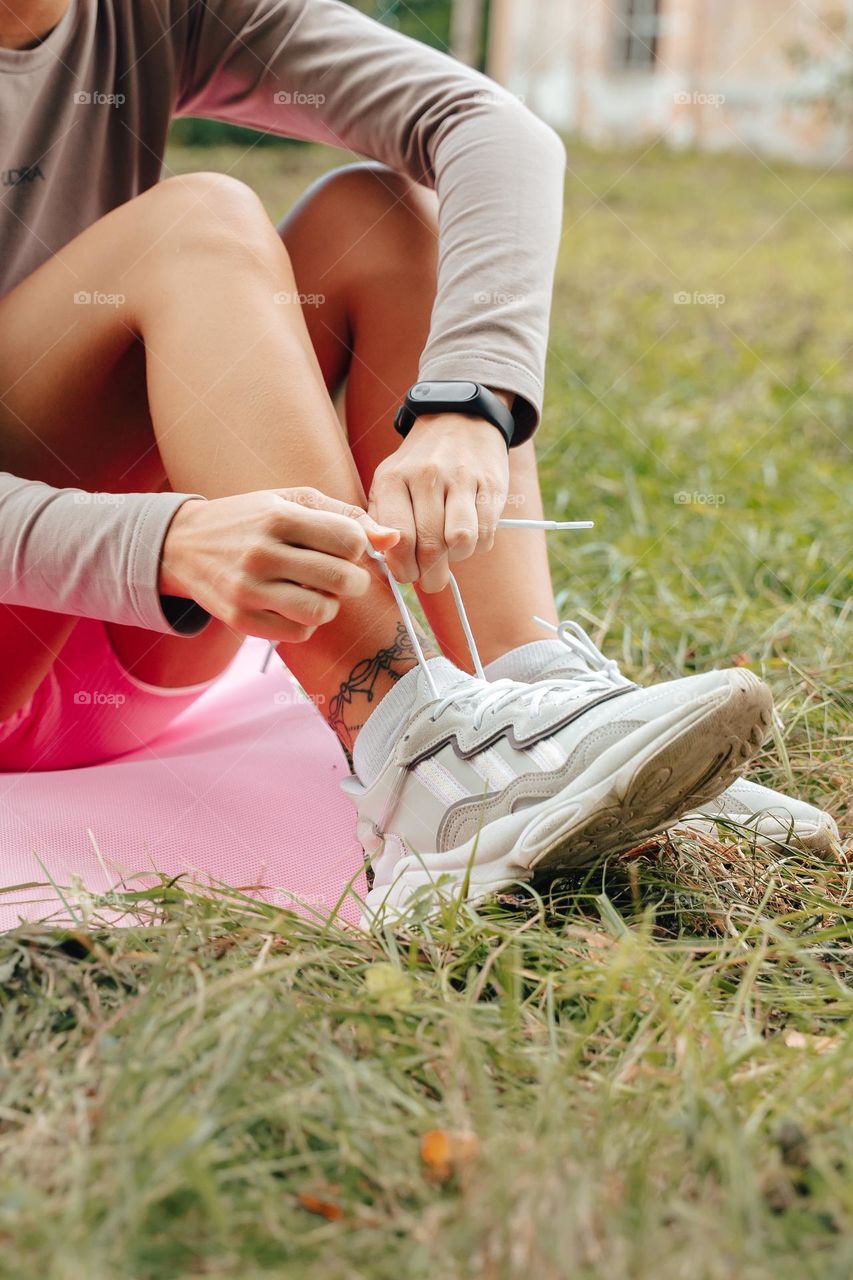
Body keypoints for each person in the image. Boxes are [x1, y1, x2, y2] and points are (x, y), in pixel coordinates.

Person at [0, 0, 835, 917]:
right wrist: (157, 545)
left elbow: (485, 126)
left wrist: (467, 403)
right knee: (196, 223)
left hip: (148, 644)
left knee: (380, 213)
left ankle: (542, 709)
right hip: (57, 612)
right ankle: (420, 764)